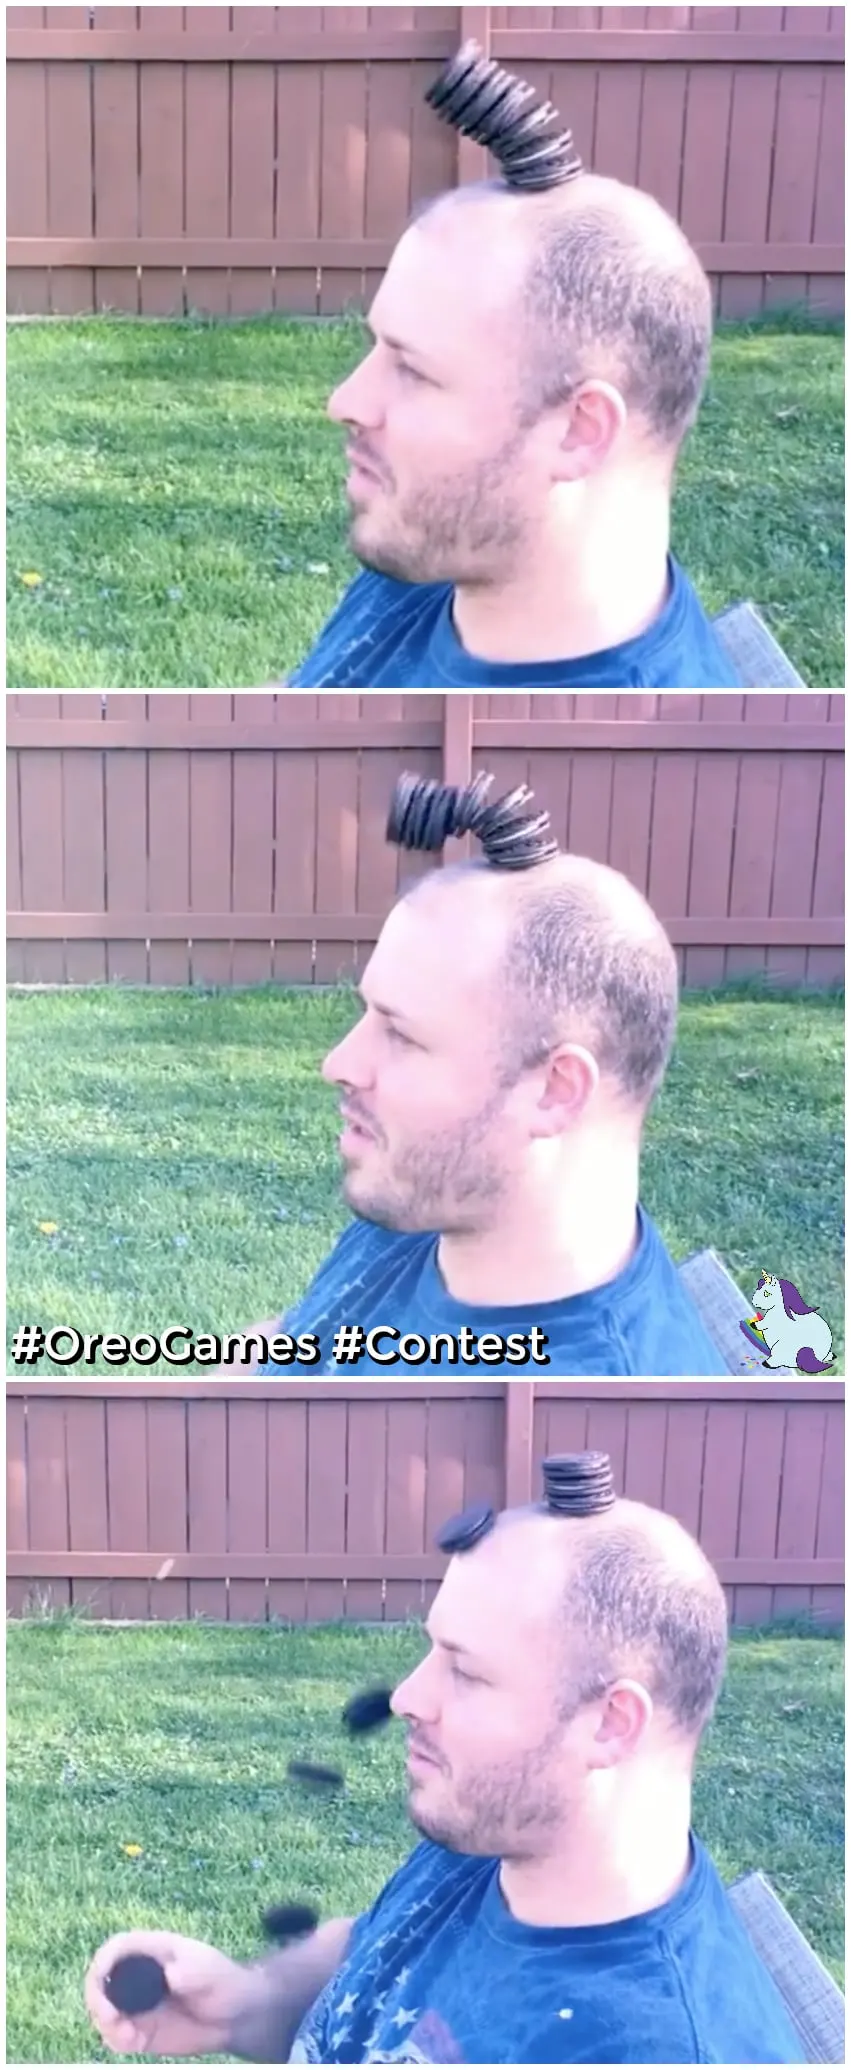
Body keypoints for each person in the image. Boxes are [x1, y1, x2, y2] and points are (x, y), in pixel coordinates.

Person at [85, 1495, 804, 2063]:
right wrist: (244, 2003)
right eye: (433, 1651)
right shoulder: (493, 1841)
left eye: (464, 1671)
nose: (405, 1697)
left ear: (610, 1724)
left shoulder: (651, 2048)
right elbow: (375, 1954)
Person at [246, 837, 728, 1375]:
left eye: (402, 1036)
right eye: (368, 1015)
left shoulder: (571, 1431)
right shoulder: (431, 1198)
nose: (339, 1063)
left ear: (555, 1091)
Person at [282, 171, 741, 690]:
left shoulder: (609, 756)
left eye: (413, 371)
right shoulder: (438, 549)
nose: (345, 402)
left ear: (579, 431)